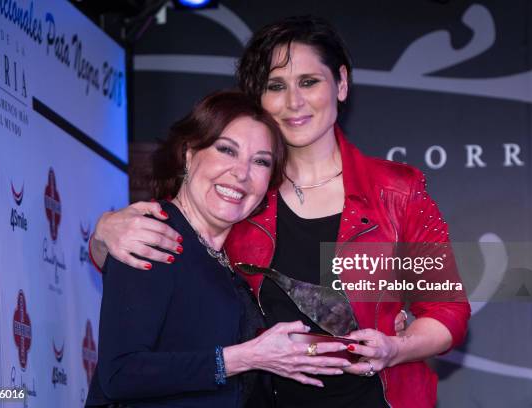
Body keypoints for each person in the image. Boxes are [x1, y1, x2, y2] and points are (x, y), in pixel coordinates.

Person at [89, 16, 470, 408]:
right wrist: (103, 233)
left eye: (309, 82)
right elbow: (168, 258)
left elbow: (447, 310)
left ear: (340, 83)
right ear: (258, 97)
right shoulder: (239, 195)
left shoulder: (397, 190)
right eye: (276, 86)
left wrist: (395, 348)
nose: (293, 102)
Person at [85, 90, 354, 408]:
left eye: (260, 161)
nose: (241, 173)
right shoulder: (151, 235)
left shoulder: (232, 261)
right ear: (188, 153)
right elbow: (121, 375)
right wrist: (244, 358)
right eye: (226, 150)